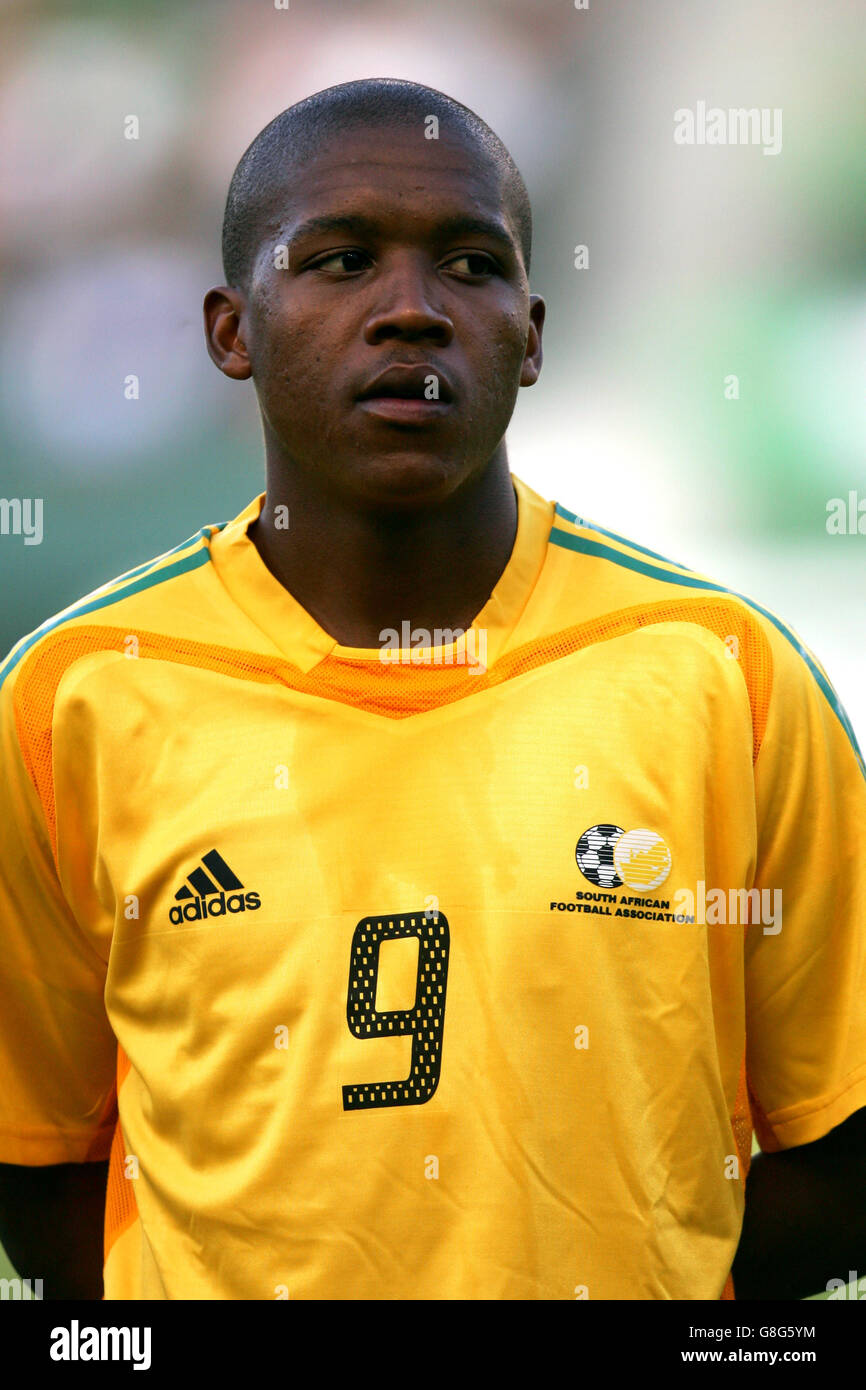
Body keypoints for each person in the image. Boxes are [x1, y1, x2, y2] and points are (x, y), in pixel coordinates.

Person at [0, 77, 864, 1302]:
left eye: (468, 265)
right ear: (229, 330)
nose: (410, 310)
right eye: (340, 260)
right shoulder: (74, 697)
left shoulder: (720, 672)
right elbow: (37, 1161)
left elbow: (835, 1147)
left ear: (531, 329)